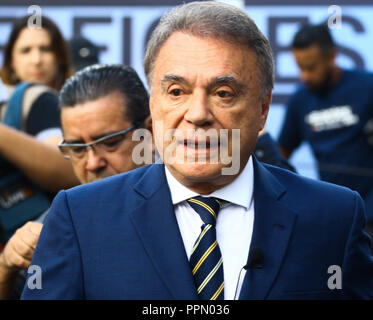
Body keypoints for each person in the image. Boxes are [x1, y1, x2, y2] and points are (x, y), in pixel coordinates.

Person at [22, 2, 373, 300]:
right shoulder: (79, 217)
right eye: (177, 92)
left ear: (263, 108)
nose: (198, 114)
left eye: (223, 93)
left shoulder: (335, 218)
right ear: (153, 103)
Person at [0, 63, 152, 299]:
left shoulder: (199, 204)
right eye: (77, 149)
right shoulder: (53, 226)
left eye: (110, 143)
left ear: (150, 131)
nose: (92, 163)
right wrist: (6, 266)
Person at [277, 24, 373, 239]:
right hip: (336, 215)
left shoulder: (368, 87)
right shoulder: (300, 100)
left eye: (311, 67)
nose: (304, 76)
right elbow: (280, 154)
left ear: (332, 56)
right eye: (300, 68)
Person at [0, 15, 78, 195]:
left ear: (59, 57)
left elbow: (65, 168)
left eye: (46, 49)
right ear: (11, 61)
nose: (37, 60)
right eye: (26, 50)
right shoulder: (39, 98)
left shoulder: (44, 100)